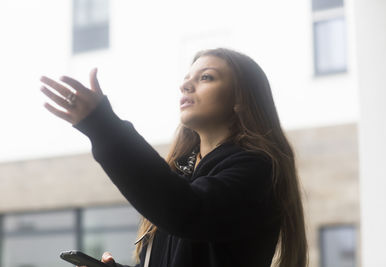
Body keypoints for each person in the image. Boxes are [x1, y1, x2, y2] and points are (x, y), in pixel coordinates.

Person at [40, 48, 308, 267]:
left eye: (206, 77)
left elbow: (189, 211)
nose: (185, 85)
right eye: (187, 77)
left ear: (241, 99)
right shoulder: (182, 176)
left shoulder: (257, 170)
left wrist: (102, 125)